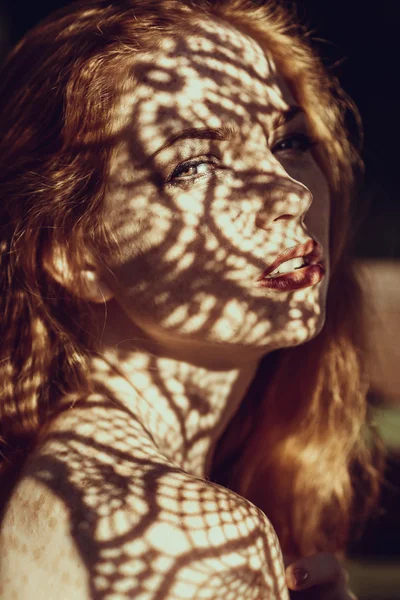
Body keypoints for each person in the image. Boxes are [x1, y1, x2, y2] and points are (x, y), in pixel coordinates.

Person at [0, 0, 385, 597]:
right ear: (71, 254)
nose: (289, 194)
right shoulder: (169, 528)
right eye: (194, 164)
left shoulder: (73, 481)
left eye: (289, 141)